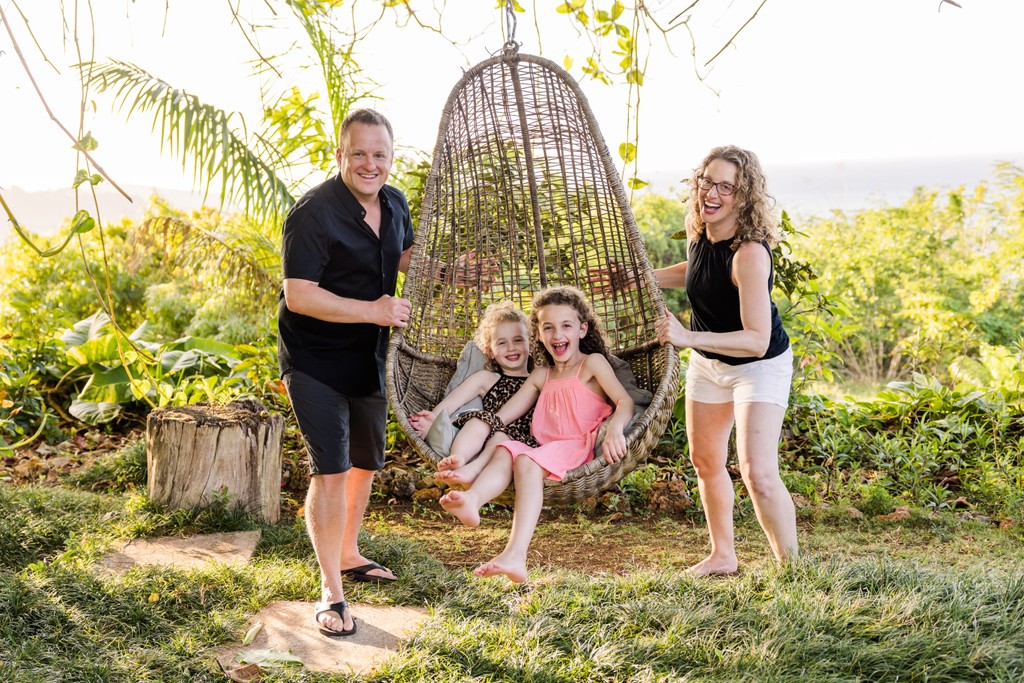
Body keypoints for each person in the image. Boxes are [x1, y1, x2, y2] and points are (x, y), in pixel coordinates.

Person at [278, 108, 412, 638]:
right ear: (340, 156)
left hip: (369, 356)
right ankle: (331, 591)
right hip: (314, 359)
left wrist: (451, 270)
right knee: (330, 469)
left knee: (363, 463)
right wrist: (374, 310)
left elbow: (401, 254)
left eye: (380, 154)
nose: (369, 164)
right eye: (359, 153)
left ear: (391, 158)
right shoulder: (312, 213)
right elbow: (299, 295)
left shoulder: (394, 202)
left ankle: (350, 552)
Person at [652, 145, 798, 577]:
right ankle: (723, 556)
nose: (710, 193)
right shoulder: (701, 230)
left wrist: (686, 337)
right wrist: (642, 278)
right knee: (706, 461)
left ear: (744, 195)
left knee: (758, 473)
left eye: (725, 187)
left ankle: (793, 570)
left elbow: (756, 340)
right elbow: (698, 271)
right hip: (709, 364)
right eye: (706, 181)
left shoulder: (750, 254)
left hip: (759, 366)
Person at [439, 286, 634, 583]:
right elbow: (504, 415)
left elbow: (625, 402)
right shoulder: (541, 374)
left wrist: (615, 430)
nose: (557, 335)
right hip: (543, 448)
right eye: (548, 327)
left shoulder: (591, 364)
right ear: (538, 335)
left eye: (566, 326)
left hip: (574, 446)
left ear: (582, 329)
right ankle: (473, 499)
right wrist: (480, 428)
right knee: (507, 448)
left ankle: (515, 555)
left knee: (525, 460)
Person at [408, 300, 537, 486]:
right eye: (502, 343)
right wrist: (433, 419)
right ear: (489, 351)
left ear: (530, 344)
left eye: (518, 340)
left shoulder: (538, 378)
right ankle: (458, 459)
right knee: (478, 420)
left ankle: (474, 467)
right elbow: (454, 400)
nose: (511, 348)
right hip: (491, 431)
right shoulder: (487, 378)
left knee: (502, 439)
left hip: (523, 440)